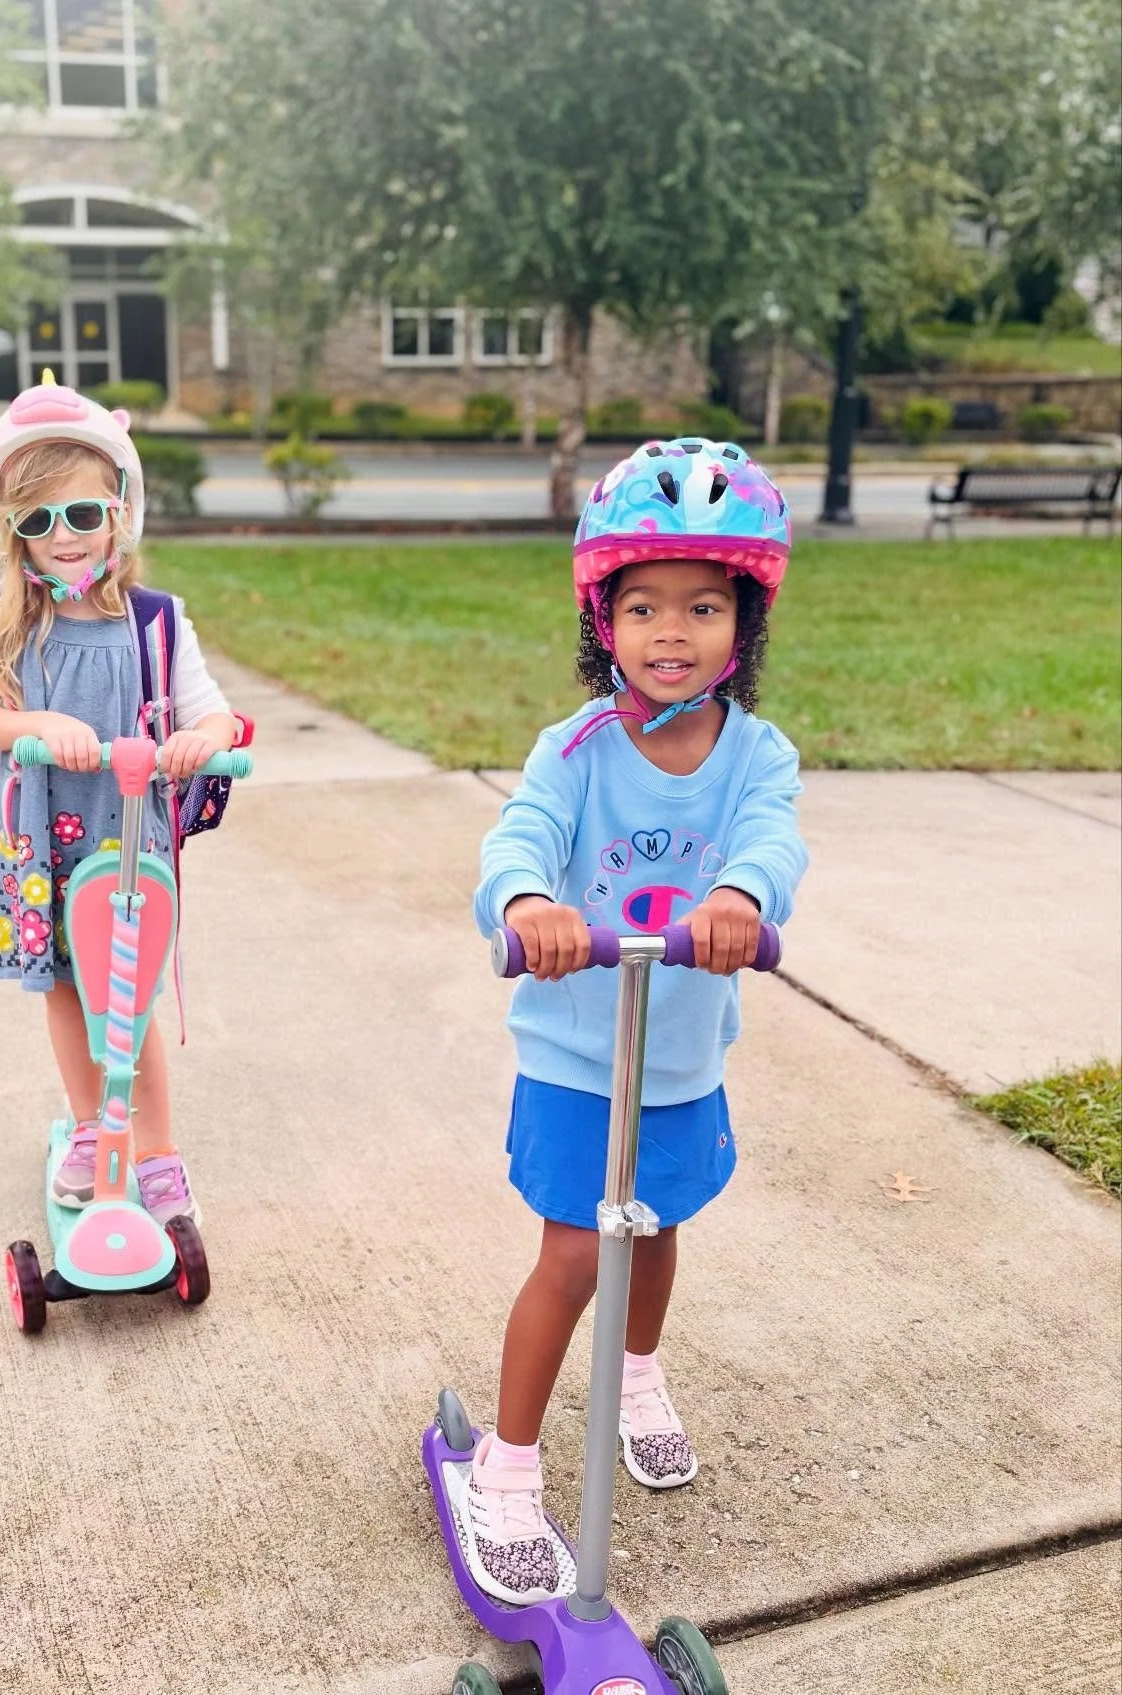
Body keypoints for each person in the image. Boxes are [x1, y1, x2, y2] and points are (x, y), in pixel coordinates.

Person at [462, 438, 809, 1605]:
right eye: (645, 605)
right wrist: (529, 903)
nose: (673, 631)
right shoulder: (575, 751)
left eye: (704, 606)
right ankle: (506, 1471)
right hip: (576, 1056)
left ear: (744, 622)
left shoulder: (757, 754)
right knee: (574, 1252)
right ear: (602, 618)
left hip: (680, 1058)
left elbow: (773, 840)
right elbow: (519, 835)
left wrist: (742, 896)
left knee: (655, 1230)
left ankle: (639, 1374)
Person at [0, 372, 241, 1225]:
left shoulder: (156, 621)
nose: (64, 537)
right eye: (38, 522)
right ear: (13, 531)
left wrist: (202, 739)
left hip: (126, 838)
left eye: (81, 514)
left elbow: (215, 712)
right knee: (67, 990)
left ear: (120, 511)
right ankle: (89, 1128)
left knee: (131, 996)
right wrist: (33, 722)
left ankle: (157, 1151)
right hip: (41, 836)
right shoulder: (2, 615)